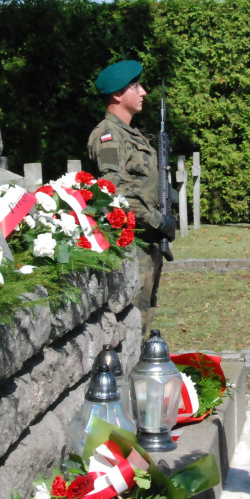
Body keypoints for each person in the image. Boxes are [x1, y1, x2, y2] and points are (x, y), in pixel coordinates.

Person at [87, 60, 175, 336]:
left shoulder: (133, 134)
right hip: (131, 242)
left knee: (145, 312)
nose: (143, 92)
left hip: (147, 241)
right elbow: (113, 191)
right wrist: (157, 220)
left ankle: (142, 372)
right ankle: (129, 375)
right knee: (131, 321)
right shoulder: (109, 136)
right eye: (135, 86)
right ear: (116, 94)